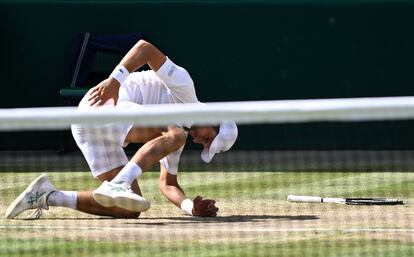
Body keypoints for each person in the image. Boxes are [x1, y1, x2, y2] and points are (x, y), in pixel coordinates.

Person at [5, 40, 238, 219]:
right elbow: (144, 48)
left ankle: (46, 195)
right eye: (209, 139)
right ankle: (118, 183)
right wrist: (115, 81)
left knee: (130, 207)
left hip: (89, 129)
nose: (202, 143)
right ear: (213, 119)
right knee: (175, 135)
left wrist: (190, 208)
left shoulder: (177, 137)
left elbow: (168, 184)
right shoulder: (185, 89)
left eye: (206, 146)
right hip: (104, 104)